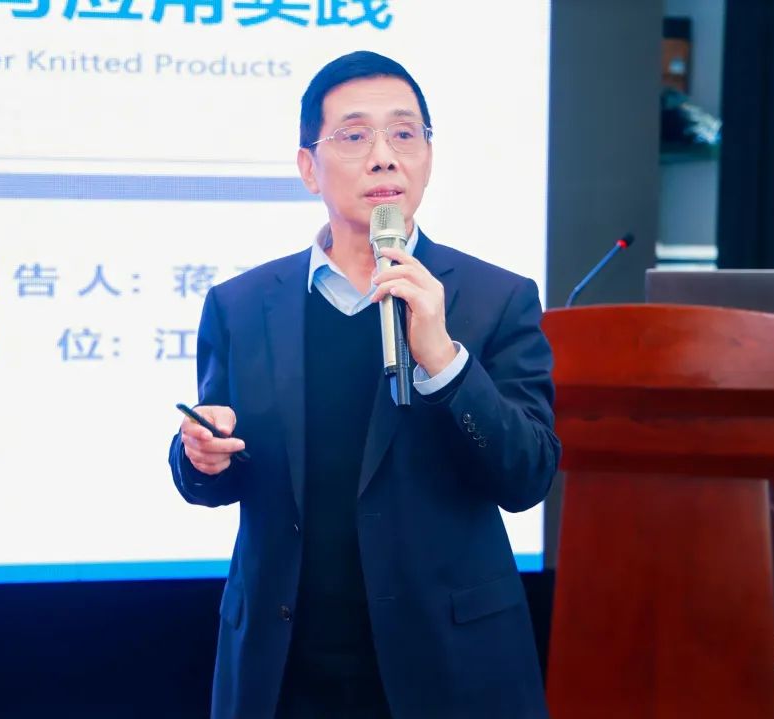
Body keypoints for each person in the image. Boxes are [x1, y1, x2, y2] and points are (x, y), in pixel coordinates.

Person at [168, 50, 561, 719]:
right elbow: (215, 463)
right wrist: (201, 456)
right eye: (354, 136)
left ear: (428, 157)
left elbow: (527, 477)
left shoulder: (496, 298)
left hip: (450, 669)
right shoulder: (240, 305)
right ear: (308, 168)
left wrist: (445, 361)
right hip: (285, 666)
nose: (384, 158)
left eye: (404, 134)